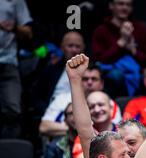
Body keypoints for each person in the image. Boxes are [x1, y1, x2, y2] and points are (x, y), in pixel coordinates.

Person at [92, 0, 146, 97]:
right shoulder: (101, 30)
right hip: (111, 71)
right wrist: (121, 43)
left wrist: (133, 50)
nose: (124, 8)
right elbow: (99, 60)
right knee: (116, 75)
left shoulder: (141, 29)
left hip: (137, 71)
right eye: (120, 4)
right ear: (111, 6)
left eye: (128, 5)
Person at [40, 64, 122, 138]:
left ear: (101, 84)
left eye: (94, 79)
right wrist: (79, 131)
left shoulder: (109, 104)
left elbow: (114, 131)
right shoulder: (62, 99)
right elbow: (44, 127)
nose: (89, 82)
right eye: (85, 79)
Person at [31, 31, 85, 118]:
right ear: (62, 48)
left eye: (77, 46)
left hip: (80, 115)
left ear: (83, 48)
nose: (74, 50)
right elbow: (36, 97)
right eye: (70, 46)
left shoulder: (89, 72)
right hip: (52, 113)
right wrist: (47, 111)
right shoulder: (51, 70)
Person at [0, 0, 32, 138]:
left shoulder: (16, 1)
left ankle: (8, 153)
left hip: (8, 63)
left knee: (13, 110)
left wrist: (13, 27)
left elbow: (28, 33)